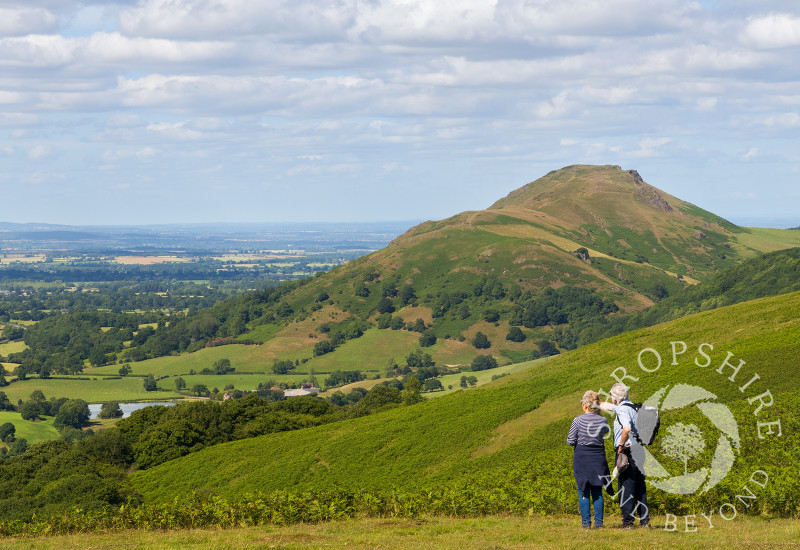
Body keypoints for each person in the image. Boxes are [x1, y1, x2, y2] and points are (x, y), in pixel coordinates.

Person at [605, 382, 649, 528]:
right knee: (640, 486)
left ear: (616, 398)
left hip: (627, 451)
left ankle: (628, 522)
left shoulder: (622, 410)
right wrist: (597, 403)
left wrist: (621, 445)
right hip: (639, 450)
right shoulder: (633, 406)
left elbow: (627, 428)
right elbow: (612, 407)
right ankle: (645, 521)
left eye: (611, 396)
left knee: (626, 486)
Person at [567, 390, 611, 529]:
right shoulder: (603, 420)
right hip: (598, 457)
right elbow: (605, 433)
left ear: (585, 404)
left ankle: (586, 524)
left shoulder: (577, 420)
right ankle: (599, 524)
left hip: (582, 457)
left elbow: (570, 440)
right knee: (597, 491)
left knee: (583, 490)